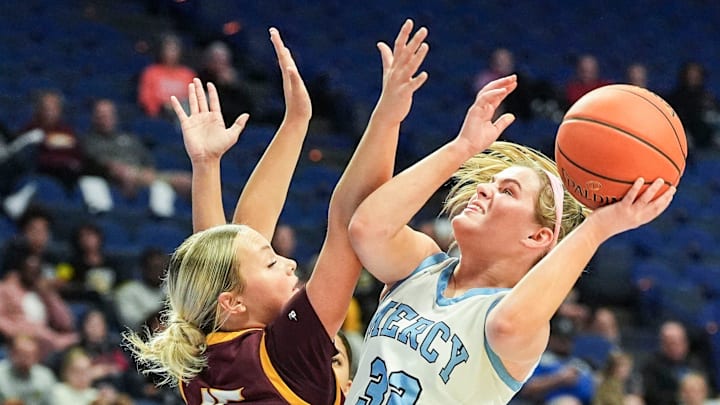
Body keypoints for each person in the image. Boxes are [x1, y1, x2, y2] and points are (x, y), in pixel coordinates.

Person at [345, 29, 675, 404]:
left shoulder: (509, 321)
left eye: (507, 192)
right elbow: (367, 227)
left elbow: (508, 324)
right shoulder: (421, 265)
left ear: (537, 237)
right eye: (491, 183)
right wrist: (461, 148)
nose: (483, 189)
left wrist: (599, 227)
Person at [125, 19, 424, 403]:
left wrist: (293, 122)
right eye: (271, 263)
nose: (288, 263)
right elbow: (348, 221)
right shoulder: (278, 354)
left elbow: (225, 255)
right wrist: (387, 117)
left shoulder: (199, 358)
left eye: (271, 260)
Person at [83, 98, 192, 199]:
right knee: (127, 175)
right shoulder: (90, 140)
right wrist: (121, 170)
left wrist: (147, 172)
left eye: (109, 115)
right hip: (116, 178)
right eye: (102, 115)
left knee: (187, 180)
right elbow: (100, 164)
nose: (106, 119)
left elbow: (147, 161)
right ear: (94, 117)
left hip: (144, 175)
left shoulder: (129, 138)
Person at [0, 240, 78, 360]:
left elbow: (66, 323)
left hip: (49, 341)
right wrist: (21, 333)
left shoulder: (42, 291)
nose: (33, 274)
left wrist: (48, 294)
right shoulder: (5, 288)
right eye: (29, 270)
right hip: (20, 343)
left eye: (36, 271)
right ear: (20, 268)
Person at [518, 315, 596, 405]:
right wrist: (558, 379)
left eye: (568, 339)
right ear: (550, 338)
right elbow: (526, 390)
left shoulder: (581, 363)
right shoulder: (538, 360)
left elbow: (593, 390)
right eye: (560, 339)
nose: (564, 343)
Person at [20, 89, 85, 187]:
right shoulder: (31, 130)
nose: (50, 112)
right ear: (39, 109)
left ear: (59, 110)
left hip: (70, 174)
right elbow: (27, 157)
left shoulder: (68, 131)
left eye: (54, 108)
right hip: (43, 172)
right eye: (46, 108)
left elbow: (78, 153)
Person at [642, 320, 709, 405]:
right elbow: (652, 396)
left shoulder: (695, 362)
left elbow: (708, 387)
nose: (676, 346)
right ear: (663, 344)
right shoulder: (652, 366)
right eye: (672, 343)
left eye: (680, 341)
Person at [137, 32, 197, 119]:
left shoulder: (188, 74)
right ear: (161, 51)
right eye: (168, 49)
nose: (171, 53)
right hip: (160, 116)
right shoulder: (151, 72)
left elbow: (194, 100)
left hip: (185, 116)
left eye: (174, 49)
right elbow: (146, 99)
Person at [198, 40, 257, 127]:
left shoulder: (237, 80)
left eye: (223, 59)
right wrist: (220, 84)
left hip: (235, 121)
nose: (220, 63)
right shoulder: (202, 78)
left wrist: (233, 85)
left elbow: (248, 106)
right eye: (216, 60)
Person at [665, 61, 719, 150]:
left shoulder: (707, 98)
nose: (693, 77)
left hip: (708, 137)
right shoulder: (675, 98)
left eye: (696, 74)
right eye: (690, 74)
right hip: (685, 138)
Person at [113, 247, 166, 331]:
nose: (159, 272)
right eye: (154, 267)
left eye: (162, 268)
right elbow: (136, 325)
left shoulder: (172, 290)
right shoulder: (127, 291)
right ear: (143, 269)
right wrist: (166, 307)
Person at [0, 334, 57, 405]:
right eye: (21, 354)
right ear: (11, 353)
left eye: (30, 355)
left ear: (37, 356)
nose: (25, 359)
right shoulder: (1, 374)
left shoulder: (45, 376)